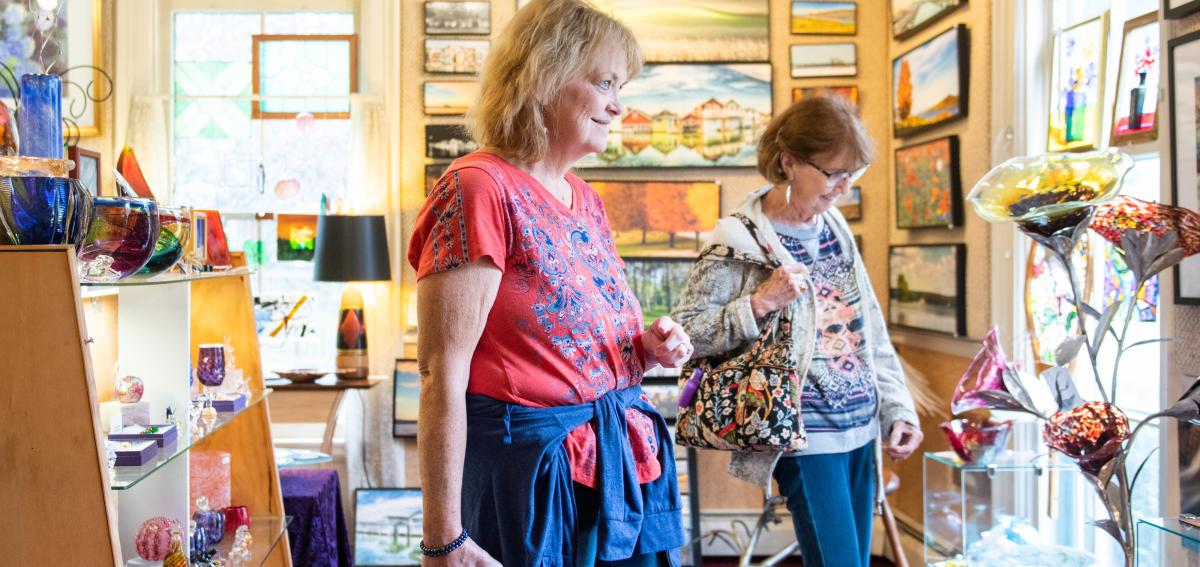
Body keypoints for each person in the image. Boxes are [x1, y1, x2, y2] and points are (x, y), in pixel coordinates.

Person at [407, 1, 691, 565]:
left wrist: (645, 347)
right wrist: (444, 539)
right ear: (544, 75)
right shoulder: (479, 187)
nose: (618, 105)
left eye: (621, 86)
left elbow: (577, 338)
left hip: (611, 465)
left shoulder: (584, 197)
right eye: (604, 82)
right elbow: (441, 371)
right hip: (531, 479)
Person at [671, 96, 923, 567]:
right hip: (807, 436)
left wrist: (897, 409)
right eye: (833, 174)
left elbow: (866, 329)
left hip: (860, 429)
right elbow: (688, 332)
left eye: (854, 174)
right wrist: (759, 303)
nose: (844, 189)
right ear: (788, 162)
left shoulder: (834, 228)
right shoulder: (737, 241)